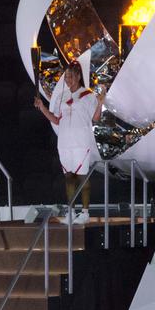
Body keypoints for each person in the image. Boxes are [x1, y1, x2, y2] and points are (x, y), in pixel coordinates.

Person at [34, 62, 105, 224]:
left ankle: (85, 213)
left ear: (79, 76)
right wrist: (43, 107)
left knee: (82, 178)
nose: (68, 80)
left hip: (81, 141)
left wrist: (100, 103)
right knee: (69, 178)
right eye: (66, 77)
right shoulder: (61, 97)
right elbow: (56, 120)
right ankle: (71, 212)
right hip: (65, 143)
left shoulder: (88, 96)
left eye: (71, 77)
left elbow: (96, 118)